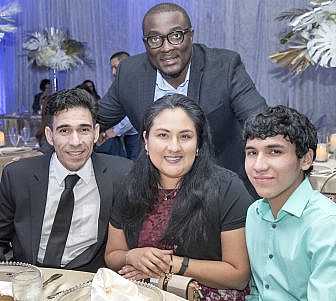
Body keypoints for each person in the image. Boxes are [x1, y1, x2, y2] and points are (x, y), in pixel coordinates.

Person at [98, 2, 267, 195]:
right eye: (155, 39)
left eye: (176, 36)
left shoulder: (224, 67)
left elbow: (260, 122)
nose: (166, 48)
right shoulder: (130, 73)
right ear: (145, 43)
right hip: (155, 191)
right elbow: (94, 119)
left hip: (220, 190)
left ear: (191, 36)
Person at [105, 94, 253, 300]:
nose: (174, 147)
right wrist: (131, 256)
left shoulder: (227, 188)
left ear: (199, 143)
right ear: (146, 141)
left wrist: (171, 265)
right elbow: (112, 256)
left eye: (185, 136)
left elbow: (238, 275)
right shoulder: (128, 185)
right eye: (163, 135)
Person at [0, 88, 132, 272]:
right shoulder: (18, 176)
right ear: (49, 135)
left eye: (84, 129)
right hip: (31, 277)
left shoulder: (121, 174)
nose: (75, 141)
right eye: (64, 130)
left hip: (88, 281)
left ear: (95, 133)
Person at [243, 105, 336, 300]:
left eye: (274, 152)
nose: (258, 166)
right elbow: (256, 292)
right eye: (252, 153)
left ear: (306, 159)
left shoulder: (327, 225)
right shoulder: (254, 213)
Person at [102, 51, 140, 160]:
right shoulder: (123, 83)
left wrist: (115, 131)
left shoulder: (134, 83)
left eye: (115, 67)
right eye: (111, 68)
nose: (113, 72)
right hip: (129, 135)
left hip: (136, 136)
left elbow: (132, 113)